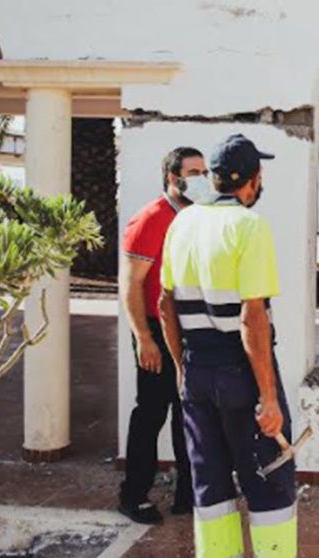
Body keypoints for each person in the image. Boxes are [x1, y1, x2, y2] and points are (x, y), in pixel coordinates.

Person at [159, 135, 296, 558]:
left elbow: (166, 305)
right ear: (253, 180)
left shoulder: (181, 222)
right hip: (240, 375)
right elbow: (251, 317)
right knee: (269, 484)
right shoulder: (249, 226)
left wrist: (183, 369)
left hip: (197, 372)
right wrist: (269, 398)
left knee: (210, 488)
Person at [117, 146, 214, 524]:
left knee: (187, 411)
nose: (202, 178)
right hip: (155, 328)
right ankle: (133, 494)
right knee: (151, 412)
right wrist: (143, 337)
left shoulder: (196, 217)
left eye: (205, 171)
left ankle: (187, 494)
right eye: (194, 171)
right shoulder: (150, 218)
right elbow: (130, 284)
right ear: (173, 178)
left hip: (187, 327)